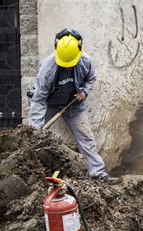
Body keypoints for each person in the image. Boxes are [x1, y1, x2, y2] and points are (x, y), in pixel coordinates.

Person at [28, 28, 119, 183]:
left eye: (71, 64)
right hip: (49, 105)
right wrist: (35, 129)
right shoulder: (48, 68)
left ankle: (98, 173)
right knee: (37, 138)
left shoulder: (85, 62)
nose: (68, 67)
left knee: (86, 138)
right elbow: (38, 99)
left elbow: (90, 80)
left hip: (72, 104)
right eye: (65, 65)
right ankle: (33, 175)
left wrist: (83, 93)